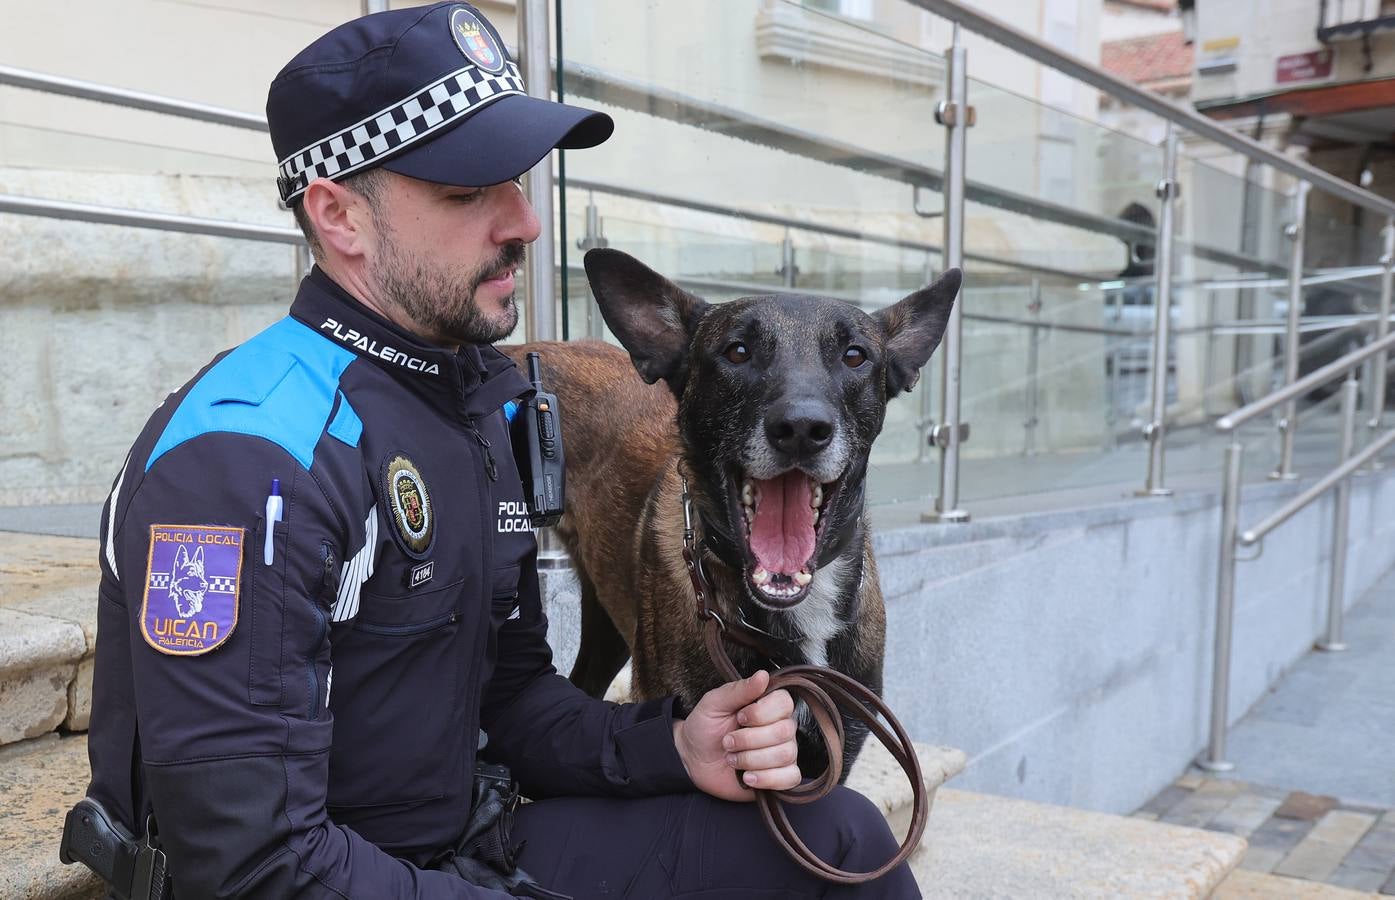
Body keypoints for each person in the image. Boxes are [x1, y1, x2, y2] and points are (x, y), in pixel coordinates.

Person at [81, 3, 920, 897]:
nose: (523, 221)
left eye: (517, 182)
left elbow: (511, 699)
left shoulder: (473, 402)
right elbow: (251, 867)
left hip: (464, 839)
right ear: (340, 217)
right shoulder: (249, 461)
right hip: (331, 876)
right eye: (466, 191)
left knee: (845, 840)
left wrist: (671, 745)